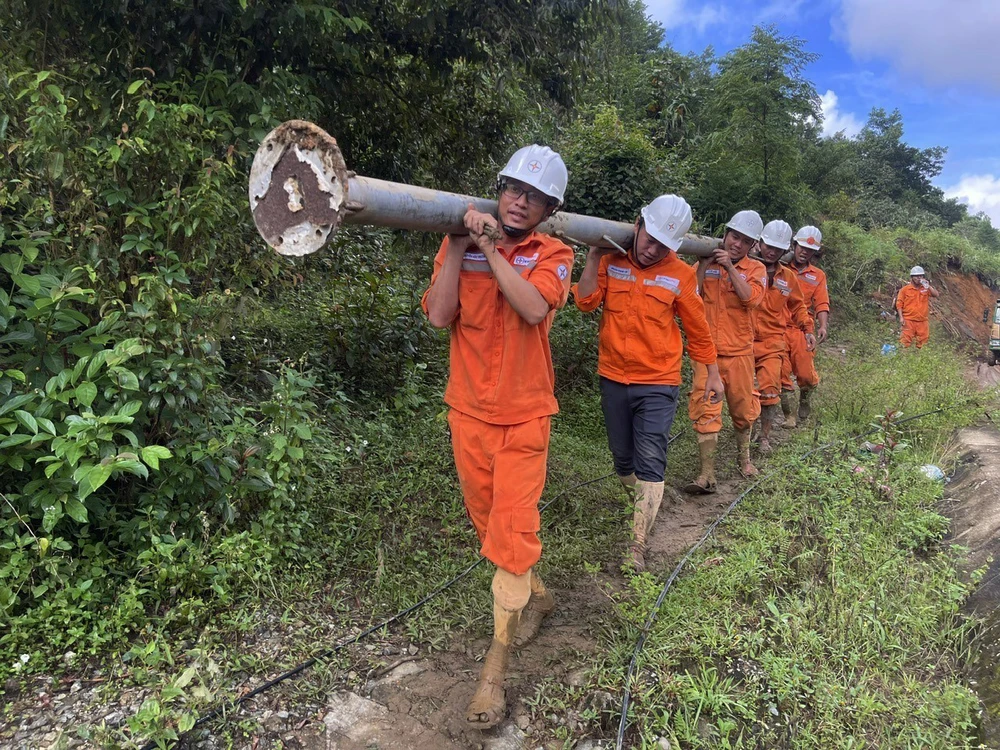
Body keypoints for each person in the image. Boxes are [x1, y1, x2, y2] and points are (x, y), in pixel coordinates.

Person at [421, 144, 574, 729]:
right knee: (489, 527)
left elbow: (534, 308)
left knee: (510, 533)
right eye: (513, 188)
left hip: (524, 417)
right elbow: (439, 316)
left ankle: (494, 672)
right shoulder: (459, 243)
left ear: (548, 208)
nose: (520, 201)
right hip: (467, 412)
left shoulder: (553, 253)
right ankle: (537, 593)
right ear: (501, 187)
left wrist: (488, 245)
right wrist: (460, 247)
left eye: (534, 197)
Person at [573, 195, 723, 571]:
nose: (653, 249)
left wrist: (714, 373)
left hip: (658, 380)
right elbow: (586, 302)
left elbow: (698, 330)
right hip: (613, 376)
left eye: (663, 245)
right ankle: (644, 500)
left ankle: (637, 542)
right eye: (650, 238)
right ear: (638, 225)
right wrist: (592, 257)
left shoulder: (681, 274)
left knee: (651, 456)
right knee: (623, 459)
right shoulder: (612, 259)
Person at [686, 210, 767, 489]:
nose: (737, 244)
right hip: (706, 353)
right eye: (734, 237)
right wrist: (701, 265)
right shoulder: (707, 261)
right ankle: (707, 474)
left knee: (743, 410)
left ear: (752, 246)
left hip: (740, 353)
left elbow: (751, 299)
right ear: (726, 234)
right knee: (705, 409)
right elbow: (689, 297)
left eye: (745, 241)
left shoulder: (756, 270)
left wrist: (730, 268)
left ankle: (744, 460)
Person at [752, 220, 815, 453]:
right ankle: (742, 431)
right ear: (759, 243)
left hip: (772, 341)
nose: (771, 251)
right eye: (768, 245)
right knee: (741, 394)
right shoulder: (745, 268)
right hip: (741, 340)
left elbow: (798, 306)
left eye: (777, 249)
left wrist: (808, 330)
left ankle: (764, 436)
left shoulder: (787, 277)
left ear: (784, 250)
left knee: (770, 389)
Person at [779, 225, 830, 427]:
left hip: (802, 329)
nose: (804, 252)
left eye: (809, 250)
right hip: (778, 328)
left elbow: (822, 302)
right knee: (780, 374)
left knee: (806, 375)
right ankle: (788, 416)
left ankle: (805, 399)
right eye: (801, 247)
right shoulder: (780, 266)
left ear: (814, 252)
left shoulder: (818, 275)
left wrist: (822, 326)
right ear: (794, 245)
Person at [895, 265, 939, 348]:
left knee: (922, 344)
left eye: (921, 276)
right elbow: (899, 304)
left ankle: (919, 360)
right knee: (905, 342)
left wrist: (928, 286)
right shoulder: (905, 290)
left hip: (922, 321)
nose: (919, 278)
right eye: (917, 276)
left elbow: (936, 294)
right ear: (912, 277)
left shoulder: (925, 289)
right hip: (908, 320)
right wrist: (901, 318)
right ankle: (905, 359)